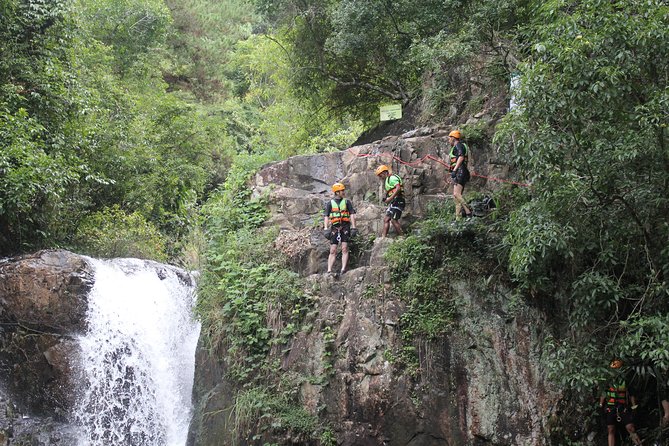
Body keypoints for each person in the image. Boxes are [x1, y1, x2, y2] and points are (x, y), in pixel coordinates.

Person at [599, 359, 642, 446]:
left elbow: (631, 394)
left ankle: (639, 444)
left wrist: (634, 407)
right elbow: (603, 394)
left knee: (631, 428)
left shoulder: (626, 380)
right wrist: (600, 405)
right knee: (611, 429)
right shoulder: (607, 380)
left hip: (623, 407)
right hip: (611, 407)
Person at [323, 182, 357, 278]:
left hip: (345, 227)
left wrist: (354, 227)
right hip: (335, 227)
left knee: (344, 248)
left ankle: (343, 269)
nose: (343, 192)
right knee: (333, 250)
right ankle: (329, 270)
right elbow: (326, 216)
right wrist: (325, 229)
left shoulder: (347, 202)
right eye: (342, 190)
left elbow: (352, 214)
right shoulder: (330, 203)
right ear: (337, 192)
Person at [447, 130, 473, 220]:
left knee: (456, 194)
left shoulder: (458, 145)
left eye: (449, 138)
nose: (448, 140)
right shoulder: (461, 145)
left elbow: (461, 157)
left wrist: (454, 170)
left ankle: (469, 211)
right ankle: (458, 218)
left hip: (460, 171)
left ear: (453, 138)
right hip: (461, 171)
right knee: (456, 197)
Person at [375, 165, 405, 238]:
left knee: (394, 220)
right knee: (386, 219)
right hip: (394, 201)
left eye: (380, 175)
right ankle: (383, 238)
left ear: (385, 172)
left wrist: (390, 198)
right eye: (379, 175)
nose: (380, 177)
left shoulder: (392, 178)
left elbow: (398, 188)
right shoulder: (387, 180)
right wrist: (387, 200)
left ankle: (402, 237)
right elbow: (391, 191)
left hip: (398, 201)